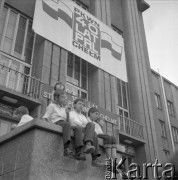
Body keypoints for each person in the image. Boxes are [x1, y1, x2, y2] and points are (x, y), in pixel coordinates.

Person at [88, 107, 128, 177]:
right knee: (109, 137)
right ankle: (110, 160)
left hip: (100, 135)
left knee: (113, 138)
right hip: (96, 135)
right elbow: (97, 133)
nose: (103, 123)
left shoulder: (98, 125)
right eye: (102, 121)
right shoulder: (91, 122)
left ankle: (113, 158)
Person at [69, 98, 105, 166]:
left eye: (83, 104)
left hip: (84, 131)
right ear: (74, 105)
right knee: (83, 128)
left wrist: (82, 124)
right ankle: (83, 150)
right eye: (79, 104)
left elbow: (87, 125)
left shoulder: (83, 117)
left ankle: (94, 157)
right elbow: (72, 121)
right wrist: (81, 124)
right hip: (76, 130)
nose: (81, 105)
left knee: (93, 129)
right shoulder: (71, 113)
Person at [43, 90, 76, 158]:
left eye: (65, 97)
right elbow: (46, 117)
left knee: (70, 126)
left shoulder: (64, 109)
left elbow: (67, 122)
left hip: (63, 124)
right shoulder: (52, 106)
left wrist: (67, 113)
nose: (64, 99)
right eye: (62, 97)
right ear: (56, 98)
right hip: (55, 122)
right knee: (66, 124)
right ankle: (66, 148)